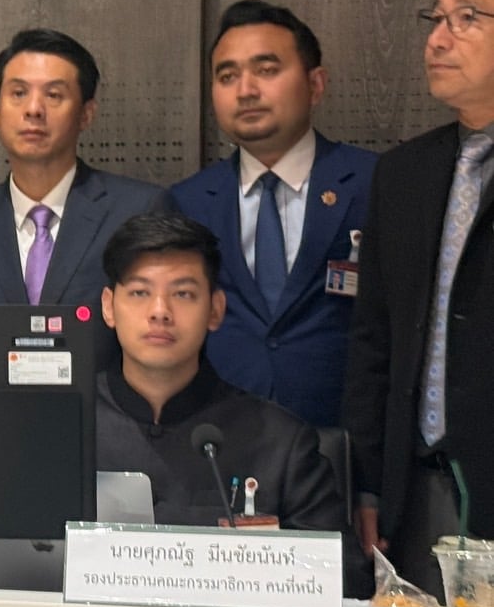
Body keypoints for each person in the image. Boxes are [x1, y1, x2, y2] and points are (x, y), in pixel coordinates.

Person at [344, 0, 494, 600]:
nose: (437, 39)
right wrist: (368, 481)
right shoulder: (404, 173)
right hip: (417, 488)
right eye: (435, 19)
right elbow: (373, 337)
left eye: (467, 19)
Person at [171, 0, 376, 426]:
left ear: (315, 84)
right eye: (227, 76)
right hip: (223, 434)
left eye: (266, 70)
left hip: (345, 436)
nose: (245, 90)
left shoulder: (374, 183)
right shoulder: (187, 202)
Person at [0, 29, 168, 370]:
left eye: (54, 95)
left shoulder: (139, 212)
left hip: (104, 404)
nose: (34, 109)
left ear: (86, 113)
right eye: (18, 93)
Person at [96, 213, 341, 531]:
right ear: (108, 307)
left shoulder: (282, 443)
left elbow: (337, 563)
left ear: (215, 309)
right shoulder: (64, 429)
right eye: (140, 292)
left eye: (183, 294)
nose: (160, 312)